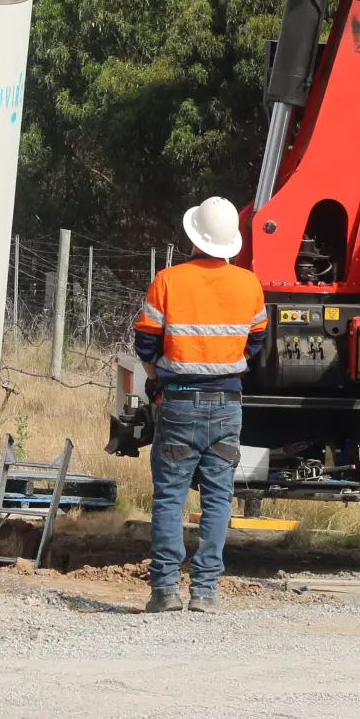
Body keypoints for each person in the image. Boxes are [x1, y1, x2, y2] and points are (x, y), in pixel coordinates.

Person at [132, 195, 267, 614]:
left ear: (194, 236)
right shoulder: (249, 284)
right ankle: (205, 592)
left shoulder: (168, 280)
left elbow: (145, 340)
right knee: (217, 499)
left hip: (179, 405)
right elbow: (258, 339)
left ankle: (166, 591)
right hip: (227, 404)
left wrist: (155, 372)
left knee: (171, 498)